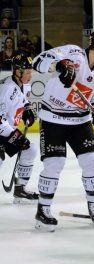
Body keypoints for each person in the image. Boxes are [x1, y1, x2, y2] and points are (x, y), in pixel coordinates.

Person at [32, 30, 94, 232]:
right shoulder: (73, 53)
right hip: (53, 118)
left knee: (92, 161)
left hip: (80, 121)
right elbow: (38, 61)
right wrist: (58, 65)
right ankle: (43, 211)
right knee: (54, 163)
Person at [0, 54, 39, 204]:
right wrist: (13, 134)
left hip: (6, 130)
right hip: (3, 129)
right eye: (27, 72)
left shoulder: (24, 84)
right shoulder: (6, 89)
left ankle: (20, 189)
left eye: (31, 71)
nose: (31, 75)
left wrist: (27, 109)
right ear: (17, 72)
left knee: (30, 149)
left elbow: (23, 99)